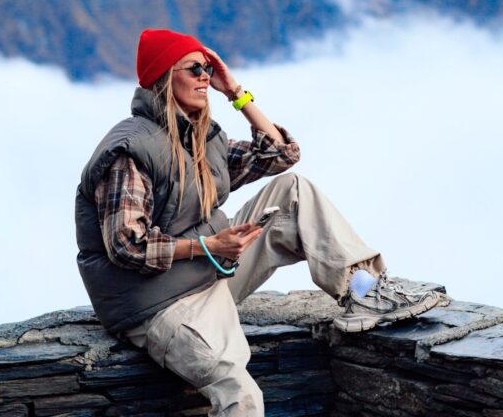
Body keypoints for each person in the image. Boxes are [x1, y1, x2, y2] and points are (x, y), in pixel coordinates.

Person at [74, 29, 440, 416]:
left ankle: (364, 292)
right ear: (164, 78)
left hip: (208, 268)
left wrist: (235, 92)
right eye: (195, 68)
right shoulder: (130, 150)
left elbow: (280, 154)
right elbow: (127, 246)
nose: (205, 76)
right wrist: (210, 246)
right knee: (241, 396)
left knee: (292, 191)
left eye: (208, 69)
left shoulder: (200, 138)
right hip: (156, 303)